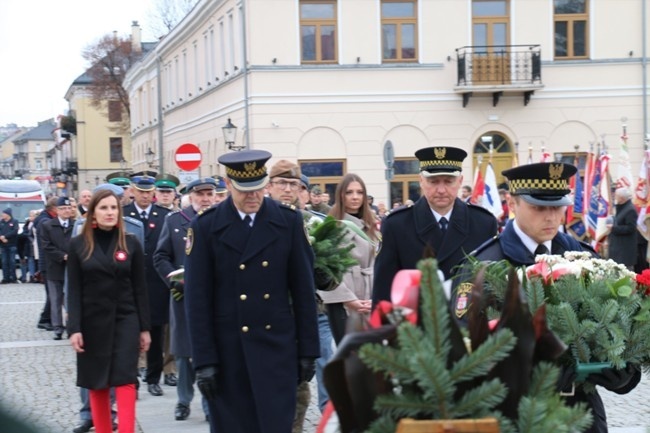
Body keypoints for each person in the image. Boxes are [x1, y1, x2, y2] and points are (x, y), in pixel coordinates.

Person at [453, 162, 641, 433]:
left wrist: (624, 373)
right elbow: (463, 352)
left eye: (557, 206)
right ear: (512, 203)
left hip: (581, 415)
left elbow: (619, 326)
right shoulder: (484, 266)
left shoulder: (585, 258)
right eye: (539, 207)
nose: (551, 217)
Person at [184, 149, 320, 433]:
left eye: (258, 189)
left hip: (276, 349)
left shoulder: (288, 221)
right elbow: (197, 301)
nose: (253, 197)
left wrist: (308, 350)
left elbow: (304, 290)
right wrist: (204, 360)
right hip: (229, 354)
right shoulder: (206, 227)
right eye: (245, 191)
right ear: (229, 184)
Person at [67, 188, 151, 433]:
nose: (110, 213)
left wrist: (144, 328)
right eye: (104, 208)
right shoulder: (78, 245)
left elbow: (140, 289)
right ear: (92, 212)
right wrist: (74, 329)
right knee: (97, 382)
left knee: (125, 379)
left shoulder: (131, 243)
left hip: (126, 319)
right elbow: (73, 290)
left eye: (114, 207)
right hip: (91, 323)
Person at [372, 146, 498, 306]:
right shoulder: (396, 225)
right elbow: (383, 288)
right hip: (414, 326)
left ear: (460, 181)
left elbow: (492, 285)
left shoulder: (483, 223)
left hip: (468, 324)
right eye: (433, 182)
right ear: (421, 181)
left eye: (448, 181)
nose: (441, 190)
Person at [153, 177, 217, 421]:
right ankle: (183, 400)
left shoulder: (222, 220)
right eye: (200, 194)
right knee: (183, 352)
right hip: (184, 295)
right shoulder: (175, 221)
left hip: (215, 297)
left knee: (213, 349)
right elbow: (160, 256)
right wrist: (174, 279)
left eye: (209, 194)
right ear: (191, 196)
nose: (205, 199)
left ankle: (211, 404)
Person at [123, 174, 172, 397]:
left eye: (148, 192)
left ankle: (153, 378)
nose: (145, 196)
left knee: (155, 332)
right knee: (130, 334)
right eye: (140, 191)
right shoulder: (123, 215)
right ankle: (131, 380)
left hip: (155, 284)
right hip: (128, 282)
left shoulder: (163, 216)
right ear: (132, 191)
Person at [318, 173, 379, 344]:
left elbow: (380, 261)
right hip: (342, 299)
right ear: (341, 195)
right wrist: (348, 299)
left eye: (360, 192)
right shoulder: (331, 225)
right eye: (349, 192)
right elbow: (324, 269)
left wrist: (377, 296)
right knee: (348, 357)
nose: (355, 197)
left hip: (370, 296)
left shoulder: (373, 225)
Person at [40, 197, 75, 340]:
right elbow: (46, 245)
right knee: (55, 300)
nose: (67, 211)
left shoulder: (76, 225)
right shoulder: (48, 225)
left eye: (69, 208)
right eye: (63, 208)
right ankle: (57, 327)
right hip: (55, 267)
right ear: (57, 211)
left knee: (71, 299)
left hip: (72, 268)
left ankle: (71, 326)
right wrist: (62, 256)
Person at [34, 197, 58, 330]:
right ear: (54, 209)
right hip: (47, 262)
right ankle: (45, 319)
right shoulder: (45, 221)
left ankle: (46, 318)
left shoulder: (43, 219)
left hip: (46, 262)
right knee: (52, 293)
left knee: (52, 293)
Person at [607, 187, 638, 270]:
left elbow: (631, 228)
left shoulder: (630, 210)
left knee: (625, 275)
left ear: (622, 198)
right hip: (618, 249)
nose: (614, 197)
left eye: (616, 195)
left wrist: (613, 228)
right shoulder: (622, 207)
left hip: (624, 252)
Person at [0, 207, 19, 283]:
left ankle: (13, 278)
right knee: (4, 262)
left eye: (4, 213)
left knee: (12, 262)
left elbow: (14, 231)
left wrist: (5, 236)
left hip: (12, 244)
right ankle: (5, 278)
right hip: (3, 245)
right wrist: (1, 237)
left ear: (8, 214)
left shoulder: (15, 221)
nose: (2, 215)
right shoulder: (1, 222)